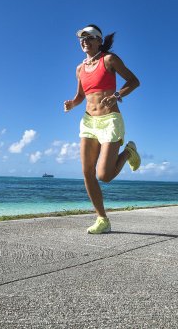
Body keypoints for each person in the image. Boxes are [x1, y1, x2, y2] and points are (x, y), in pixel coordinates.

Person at [64, 24, 141, 234]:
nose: (84, 41)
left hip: (110, 120)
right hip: (89, 122)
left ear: (99, 40)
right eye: (81, 38)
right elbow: (81, 95)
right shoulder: (79, 69)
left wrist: (117, 95)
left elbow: (134, 81)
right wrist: (72, 103)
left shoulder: (109, 59)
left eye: (89, 38)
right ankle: (102, 219)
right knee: (86, 172)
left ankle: (128, 153)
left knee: (104, 175)